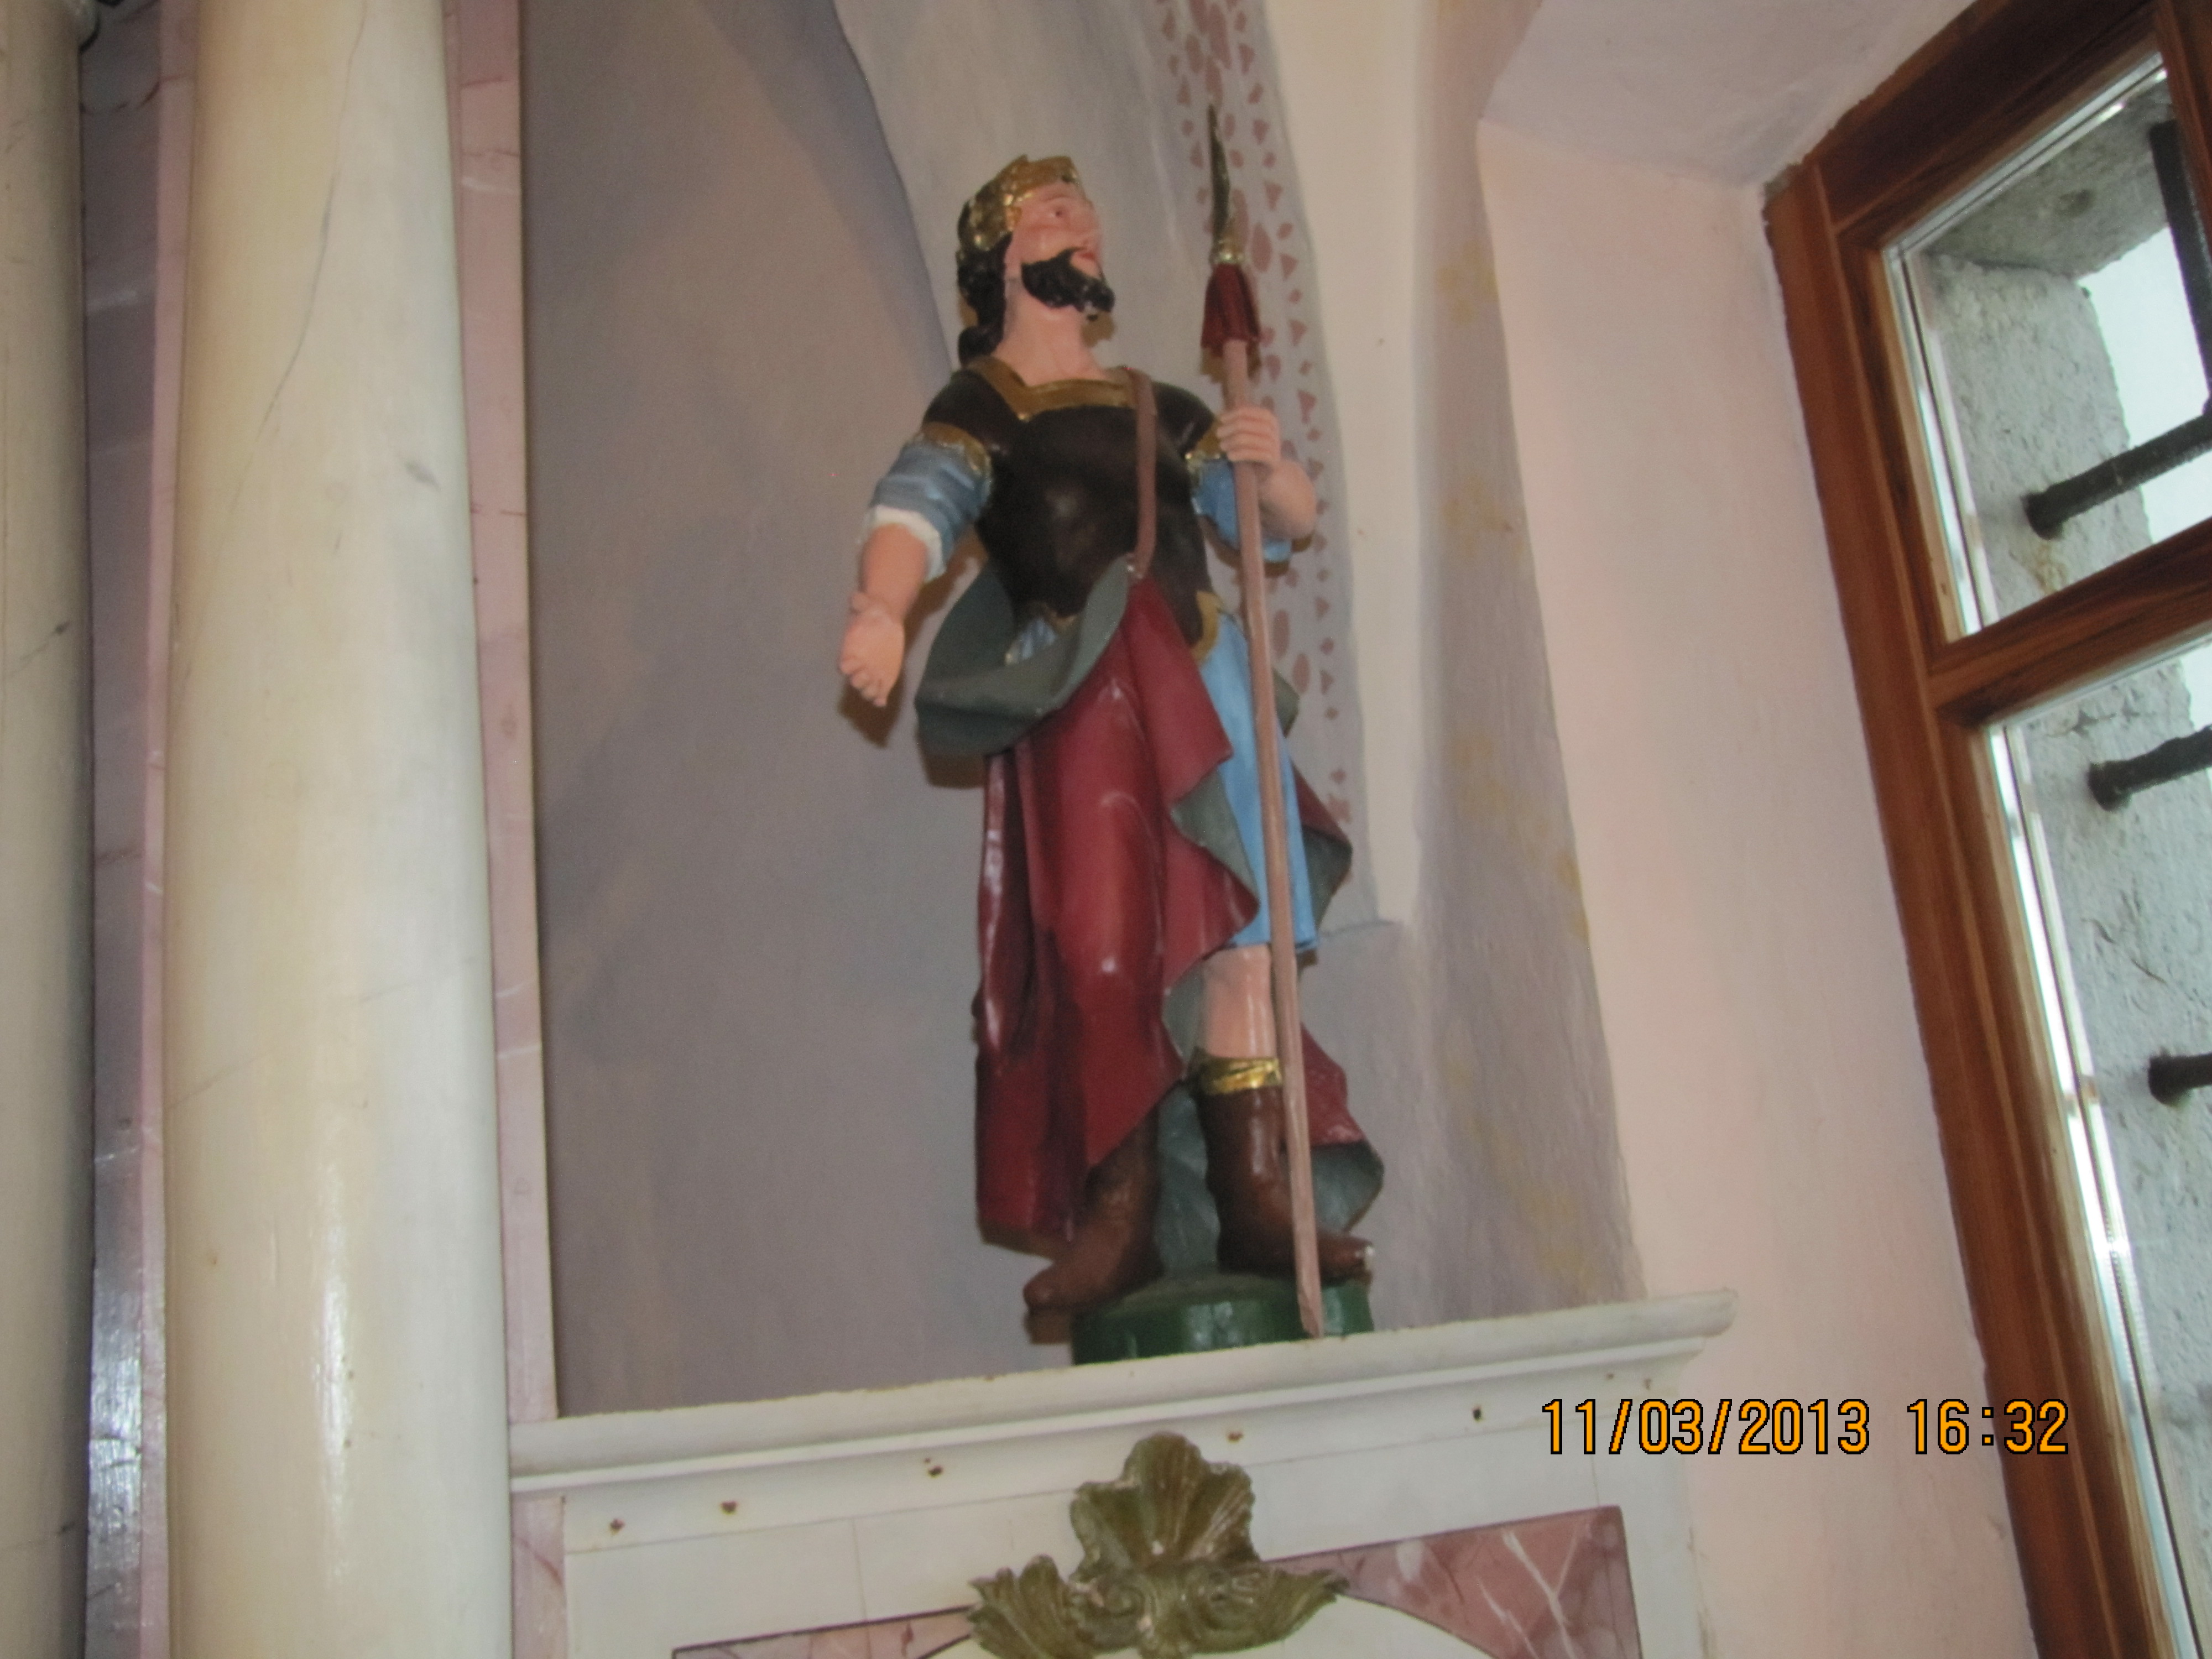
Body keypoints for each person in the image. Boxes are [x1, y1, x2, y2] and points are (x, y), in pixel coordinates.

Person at [839, 155, 1379, 1317]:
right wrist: (881, 608)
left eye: (1084, 216)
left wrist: (1270, 469)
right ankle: (1119, 1212)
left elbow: (1273, 523)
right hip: (1085, 697)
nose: (1080, 228)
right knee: (1100, 951)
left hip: (1202, 680)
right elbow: (916, 513)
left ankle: (1254, 1191)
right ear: (1002, 260)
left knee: (1241, 937)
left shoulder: (1159, 407)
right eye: (1052, 216)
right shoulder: (982, 407)